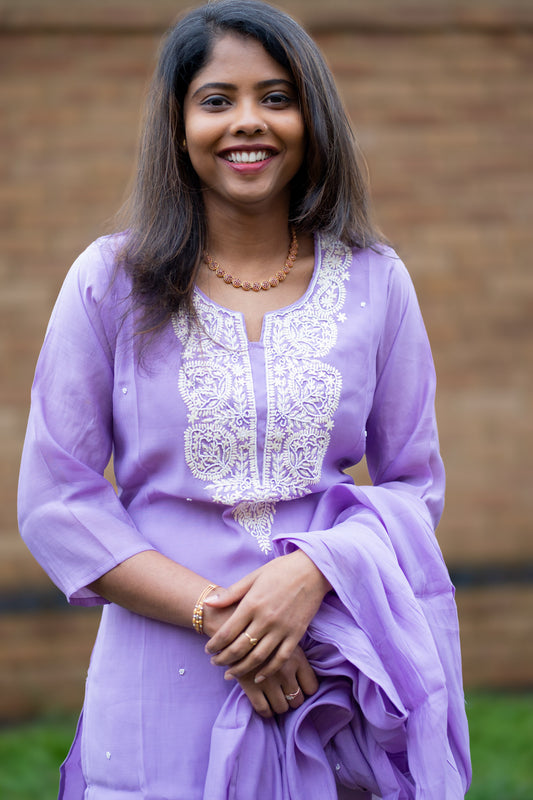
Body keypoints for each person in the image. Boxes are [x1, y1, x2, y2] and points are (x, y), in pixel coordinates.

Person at [18, 1, 471, 798]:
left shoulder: (375, 280)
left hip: (329, 668)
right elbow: (58, 501)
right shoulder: (109, 281)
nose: (247, 123)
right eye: (216, 100)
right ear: (178, 123)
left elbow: (414, 485)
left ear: (310, 117)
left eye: (275, 96)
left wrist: (312, 577)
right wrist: (225, 619)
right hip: (161, 669)